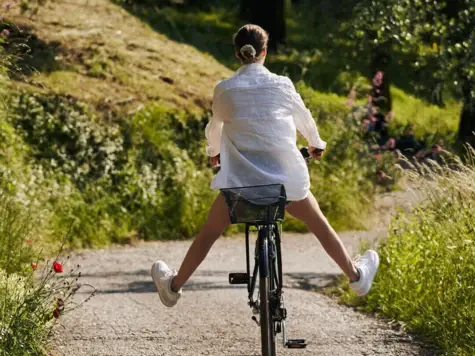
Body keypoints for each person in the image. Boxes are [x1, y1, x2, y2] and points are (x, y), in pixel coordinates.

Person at [151, 24, 380, 308]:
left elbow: (215, 128)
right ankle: (356, 276)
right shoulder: (282, 84)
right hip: (286, 187)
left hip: (241, 188)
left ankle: (173, 287)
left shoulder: (225, 90)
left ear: (237, 53)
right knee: (317, 222)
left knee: (209, 232)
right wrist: (316, 143)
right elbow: (304, 118)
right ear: (265, 51)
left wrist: (214, 153)